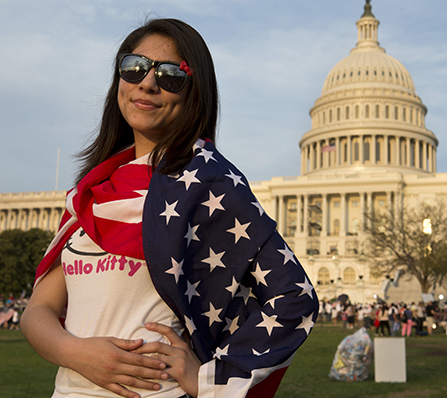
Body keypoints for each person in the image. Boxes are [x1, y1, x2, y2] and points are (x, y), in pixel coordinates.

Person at [21, 18, 318, 398]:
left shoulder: (210, 186)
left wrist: (210, 380)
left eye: (171, 75)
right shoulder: (92, 193)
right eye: (134, 68)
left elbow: (293, 297)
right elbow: (38, 312)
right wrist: (75, 352)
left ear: (194, 92)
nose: (147, 83)